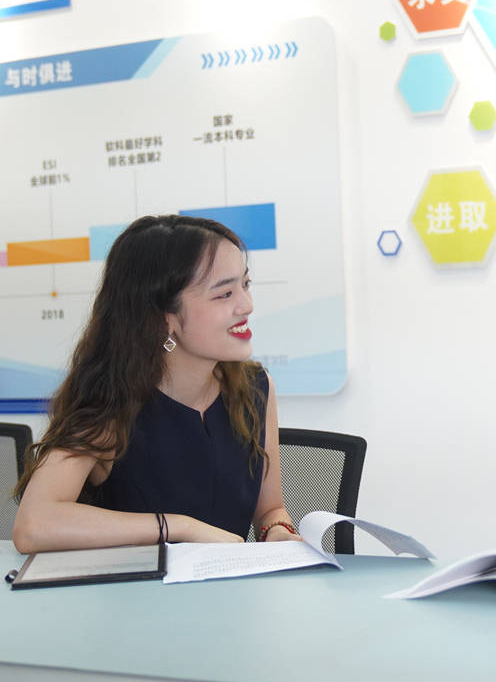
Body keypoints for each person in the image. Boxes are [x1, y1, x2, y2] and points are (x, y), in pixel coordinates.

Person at [12, 215, 300, 554]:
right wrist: (180, 527)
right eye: (224, 294)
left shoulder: (256, 388)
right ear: (164, 318)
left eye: (245, 284)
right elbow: (33, 525)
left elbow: (270, 510)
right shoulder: (112, 401)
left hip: (228, 585)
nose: (247, 305)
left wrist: (277, 530)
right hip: (135, 587)